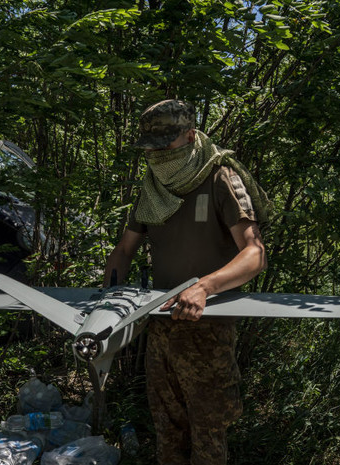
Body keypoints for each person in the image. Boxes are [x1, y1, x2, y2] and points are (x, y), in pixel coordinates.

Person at [104, 99, 270, 464]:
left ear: (191, 136)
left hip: (208, 328)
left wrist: (204, 288)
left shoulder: (220, 178)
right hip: (161, 326)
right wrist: (107, 298)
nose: (159, 154)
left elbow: (255, 254)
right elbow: (125, 249)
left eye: (167, 144)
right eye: (152, 147)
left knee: (208, 430)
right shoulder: (153, 186)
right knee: (167, 429)